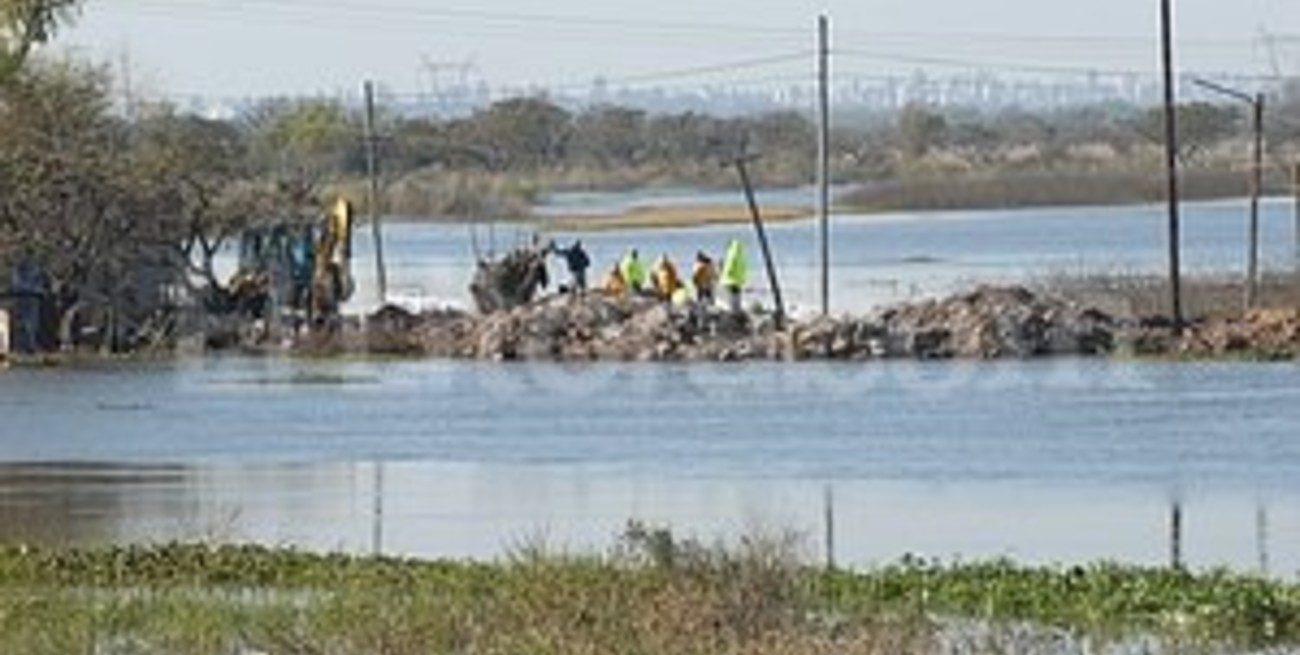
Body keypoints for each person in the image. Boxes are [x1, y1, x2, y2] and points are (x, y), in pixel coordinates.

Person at [720, 238, 747, 314]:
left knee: (731, 298)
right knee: (737, 297)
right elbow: (743, 268)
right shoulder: (740, 254)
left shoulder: (731, 253)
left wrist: (726, 273)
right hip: (738, 280)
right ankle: (737, 312)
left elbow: (729, 265)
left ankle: (733, 313)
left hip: (730, 280)